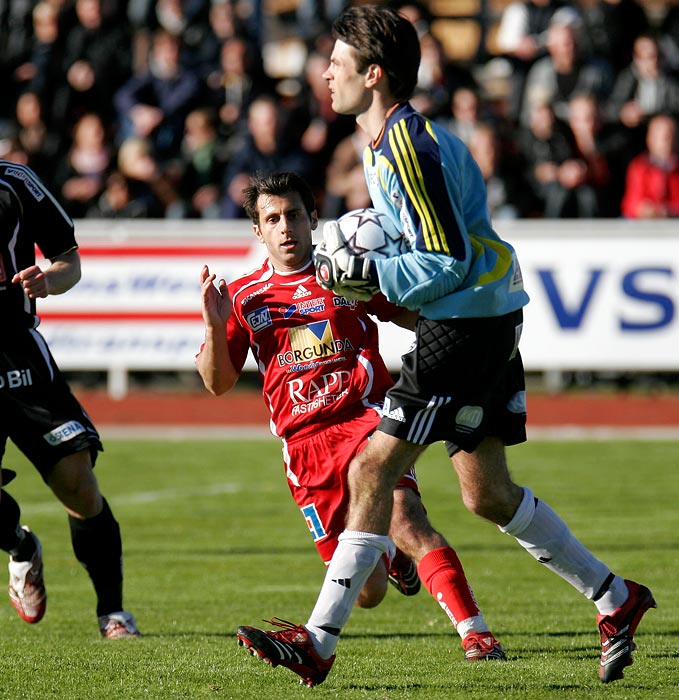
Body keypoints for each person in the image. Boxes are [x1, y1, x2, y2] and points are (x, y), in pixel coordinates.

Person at [236, 5, 656, 687]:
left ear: (373, 75)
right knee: (486, 493)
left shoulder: (405, 146)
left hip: (464, 324)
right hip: (482, 317)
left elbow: (446, 260)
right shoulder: (390, 145)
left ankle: (318, 641)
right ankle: (616, 598)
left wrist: (365, 274)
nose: (325, 73)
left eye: (337, 63)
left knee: (371, 470)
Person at [198, 171, 507, 667]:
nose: (285, 228)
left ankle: (477, 633)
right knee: (368, 593)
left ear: (313, 217)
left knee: (408, 518)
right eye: (272, 219)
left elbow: (414, 315)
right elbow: (217, 381)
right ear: (257, 231)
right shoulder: (242, 297)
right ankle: (391, 559)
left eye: (294, 215)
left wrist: (466, 328)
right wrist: (215, 326)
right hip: (305, 447)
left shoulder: (347, 271)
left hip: (368, 420)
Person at [0, 160, 139, 639]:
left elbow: (68, 261)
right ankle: (21, 546)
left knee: (76, 482)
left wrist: (48, 281)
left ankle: (113, 613)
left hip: (16, 351)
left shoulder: (16, 183)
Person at [620, 112, 679, 218]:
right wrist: (642, 209)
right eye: (659, 135)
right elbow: (630, 202)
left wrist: (670, 210)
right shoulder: (639, 166)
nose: (665, 139)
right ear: (649, 138)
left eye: (669, 134)